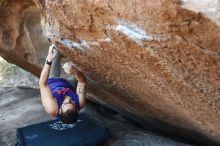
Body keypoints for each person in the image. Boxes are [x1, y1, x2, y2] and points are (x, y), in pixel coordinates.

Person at [39, 44, 87, 124]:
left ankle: (58, 55)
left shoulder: (52, 107)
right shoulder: (80, 102)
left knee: (55, 53)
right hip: (69, 85)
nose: (68, 99)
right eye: (72, 102)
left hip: (53, 81)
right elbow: (82, 82)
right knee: (77, 61)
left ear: (60, 110)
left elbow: (42, 84)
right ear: (77, 109)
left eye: (65, 103)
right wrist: (75, 71)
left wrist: (48, 61)